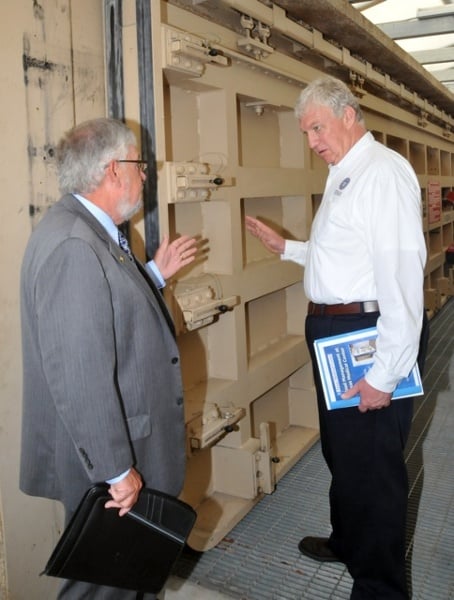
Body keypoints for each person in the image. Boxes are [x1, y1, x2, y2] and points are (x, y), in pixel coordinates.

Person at [246, 76, 428, 600]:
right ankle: (350, 542)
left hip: (368, 337)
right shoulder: (346, 173)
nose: (312, 142)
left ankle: (380, 588)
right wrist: (289, 248)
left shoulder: (382, 173)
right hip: (336, 332)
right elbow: (347, 257)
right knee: (344, 454)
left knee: (373, 469)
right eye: (306, 133)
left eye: (317, 128)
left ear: (349, 115)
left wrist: (385, 373)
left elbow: (398, 274)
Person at [20, 117, 198, 599]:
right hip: (110, 468)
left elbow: (108, 317)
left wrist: (154, 276)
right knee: (103, 589)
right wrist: (117, 471)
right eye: (139, 165)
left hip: (119, 454)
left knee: (125, 582)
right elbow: (80, 374)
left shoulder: (88, 231)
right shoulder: (76, 246)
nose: (145, 175)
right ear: (114, 170)